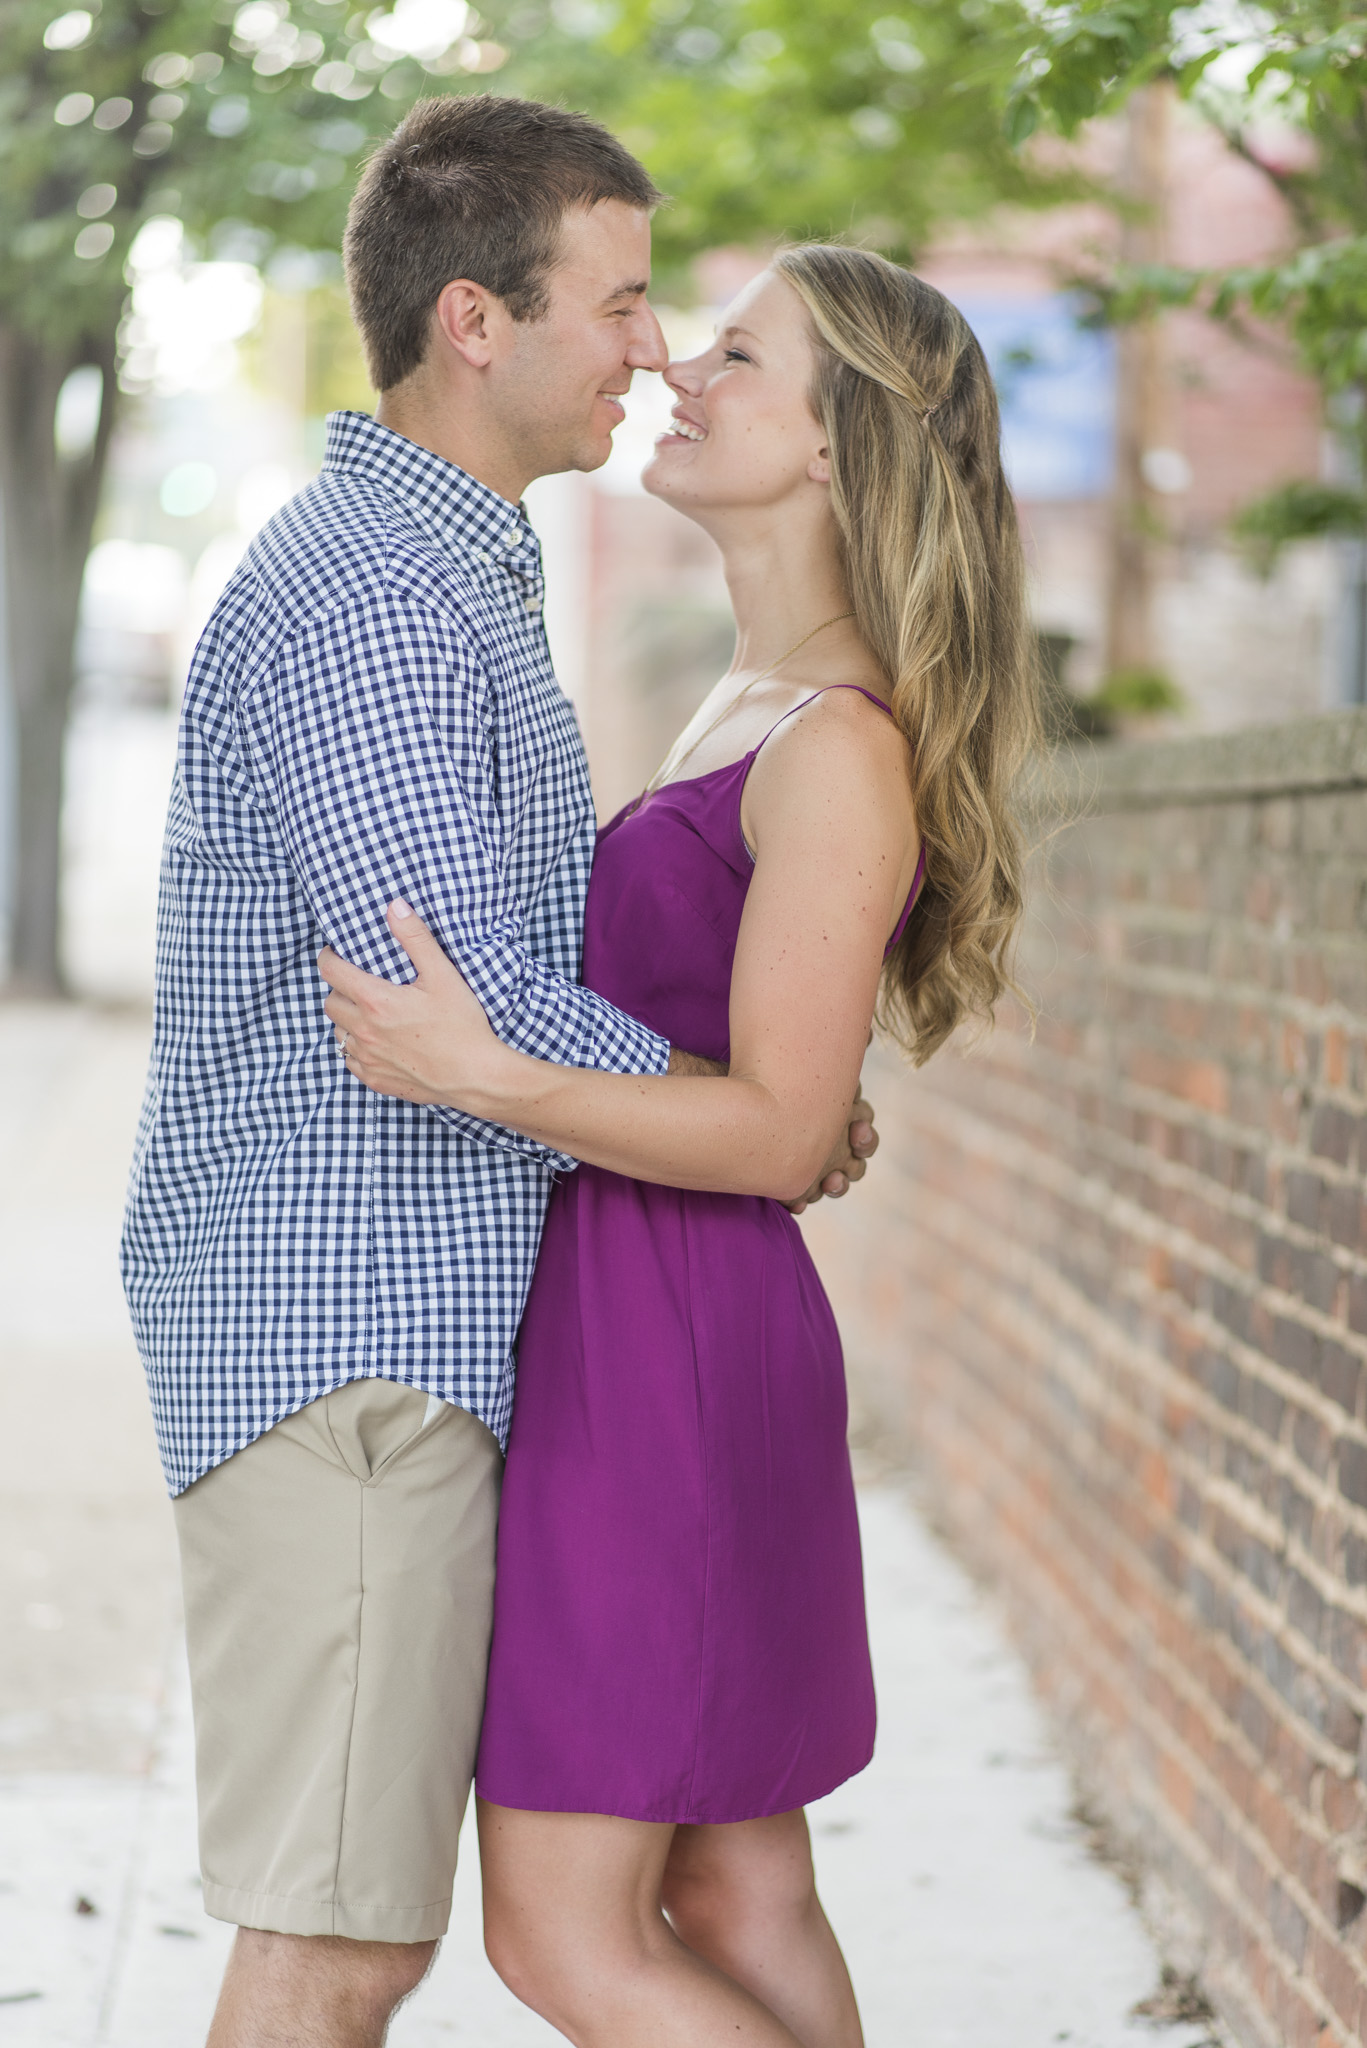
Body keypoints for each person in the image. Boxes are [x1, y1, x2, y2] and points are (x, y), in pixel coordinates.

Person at [120, 98, 875, 2048]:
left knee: (384, 1920)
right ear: (477, 319)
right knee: (338, 1935)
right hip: (349, 1333)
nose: (649, 344)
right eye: (618, 301)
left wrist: (750, 1099)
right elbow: (439, 991)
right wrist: (747, 1097)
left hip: (411, 1327)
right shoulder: (383, 597)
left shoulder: (455, 572)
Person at [321, 242, 1041, 2047]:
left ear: (833, 447)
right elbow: (745, 1061)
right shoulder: (749, 698)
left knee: (569, 1936)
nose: (678, 375)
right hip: (638, 1316)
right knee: (734, 1884)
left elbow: (780, 1133)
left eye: (738, 357)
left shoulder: (835, 746)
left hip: (674, 1348)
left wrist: (477, 1071)